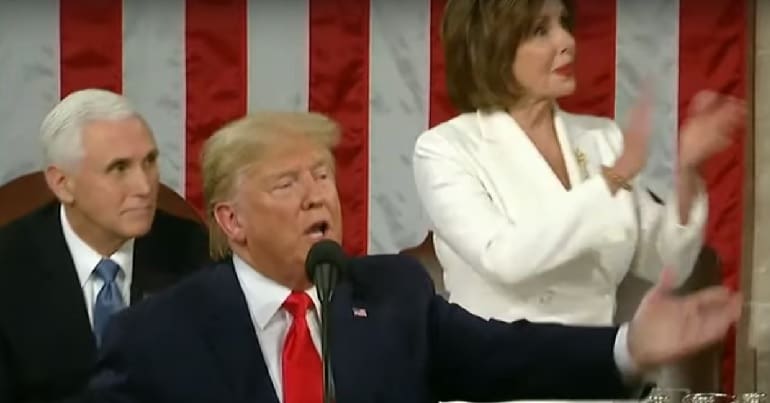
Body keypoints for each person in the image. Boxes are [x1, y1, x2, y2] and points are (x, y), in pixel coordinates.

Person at [79, 111, 741, 403]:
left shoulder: (389, 292)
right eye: (288, 183)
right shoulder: (159, 332)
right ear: (232, 220)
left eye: (322, 175)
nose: (319, 196)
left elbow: (507, 355)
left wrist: (628, 346)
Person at [413, 0, 744, 349]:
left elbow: (667, 262)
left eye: (564, 24)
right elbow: (503, 258)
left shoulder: (602, 139)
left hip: (593, 376)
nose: (567, 41)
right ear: (492, 46)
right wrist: (611, 182)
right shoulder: (445, 148)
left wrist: (689, 170)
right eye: (541, 31)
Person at [0, 89, 209, 402]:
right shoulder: (8, 266)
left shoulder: (194, 252)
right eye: (120, 168)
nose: (144, 187)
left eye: (149, 161)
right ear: (62, 184)